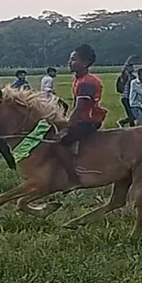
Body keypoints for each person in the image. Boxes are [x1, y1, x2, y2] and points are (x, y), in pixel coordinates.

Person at [54, 44, 107, 184]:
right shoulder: (79, 79)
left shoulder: (87, 82)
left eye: (73, 59)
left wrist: (66, 127)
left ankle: (72, 177)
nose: (69, 62)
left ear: (85, 63)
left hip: (88, 121)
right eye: (70, 59)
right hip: (83, 119)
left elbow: (79, 108)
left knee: (61, 142)